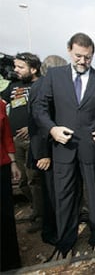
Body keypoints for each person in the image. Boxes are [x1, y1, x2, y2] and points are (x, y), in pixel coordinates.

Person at [34, 32, 95, 258]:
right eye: (79, 56)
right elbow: (40, 109)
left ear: (93, 55)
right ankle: (65, 242)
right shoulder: (54, 76)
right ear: (69, 51)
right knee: (64, 197)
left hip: (91, 148)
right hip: (62, 149)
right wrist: (52, 129)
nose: (83, 61)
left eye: (88, 57)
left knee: (94, 194)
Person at [1, 52, 43, 231]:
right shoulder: (13, 86)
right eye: (15, 66)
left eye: (20, 67)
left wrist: (31, 127)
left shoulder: (41, 84)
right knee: (22, 181)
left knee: (35, 179)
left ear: (33, 69)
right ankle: (36, 207)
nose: (16, 70)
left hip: (34, 139)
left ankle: (42, 215)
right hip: (15, 141)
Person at [28, 55, 67, 242]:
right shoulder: (43, 87)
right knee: (52, 195)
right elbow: (39, 123)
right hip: (47, 152)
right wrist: (43, 154)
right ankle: (52, 233)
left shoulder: (43, 85)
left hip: (50, 150)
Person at [0, 99, 22, 271]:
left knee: (5, 215)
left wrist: (13, 162)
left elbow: (6, 135)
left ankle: (10, 262)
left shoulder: (0, 104)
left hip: (2, 166)